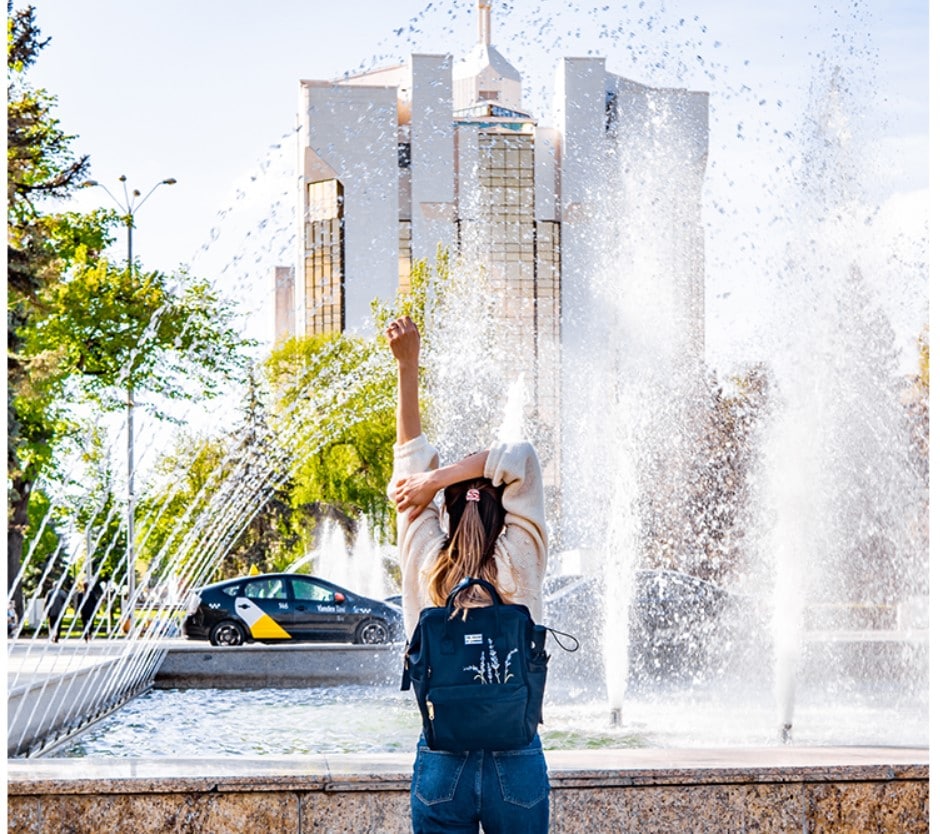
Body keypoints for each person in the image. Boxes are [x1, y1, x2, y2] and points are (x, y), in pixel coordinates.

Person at [386, 315, 550, 834]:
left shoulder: (429, 563)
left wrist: (407, 367)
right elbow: (521, 456)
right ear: (508, 507)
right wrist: (445, 476)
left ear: (445, 511)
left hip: (443, 759)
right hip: (516, 758)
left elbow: (408, 461)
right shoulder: (520, 558)